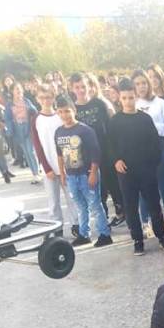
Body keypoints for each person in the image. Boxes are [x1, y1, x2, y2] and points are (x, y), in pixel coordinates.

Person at [108, 78, 164, 256]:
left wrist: (152, 164)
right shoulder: (115, 121)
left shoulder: (145, 119)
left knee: (154, 204)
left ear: (135, 97)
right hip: (126, 172)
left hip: (146, 170)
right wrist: (116, 160)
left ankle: (162, 236)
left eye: (131, 97)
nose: (128, 101)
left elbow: (155, 143)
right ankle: (137, 239)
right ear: (119, 99)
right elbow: (110, 145)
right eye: (124, 98)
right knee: (131, 207)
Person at [54, 95, 112, 248]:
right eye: (60, 112)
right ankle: (84, 234)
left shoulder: (85, 130)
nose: (64, 115)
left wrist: (93, 173)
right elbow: (59, 155)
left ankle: (104, 234)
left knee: (94, 204)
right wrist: (62, 173)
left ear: (74, 110)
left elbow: (95, 154)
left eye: (67, 111)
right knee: (80, 206)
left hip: (86, 174)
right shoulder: (58, 132)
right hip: (71, 176)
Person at [70, 72, 125, 227]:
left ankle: (121, 211)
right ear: (72, 88)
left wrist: (115, 150)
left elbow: (111, 127)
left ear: (89, 86)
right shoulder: (73, 108)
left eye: (83, 86)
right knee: (96, 189)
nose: (81, 90)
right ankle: (103, 217)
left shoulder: (99, 104)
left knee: (113, 183)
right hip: (86, 156)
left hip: (105, 150)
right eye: (77, 87)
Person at [131, 69, 164, 236]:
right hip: (140, 151)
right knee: (144, 189)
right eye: (137, 84)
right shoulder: (133, 104)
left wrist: (151, 125)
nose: (141, 86)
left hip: (160, 146)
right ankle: (146, 223)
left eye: (144, 83)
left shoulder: (160, 103)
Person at [30, 83, 79, 234]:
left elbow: (69, 139)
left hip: (66, 165)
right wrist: (46, 168)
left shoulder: (60, 116)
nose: (46, 100)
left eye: (49, 97)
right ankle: (57, 228)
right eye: (42, 98)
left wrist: (70, 164)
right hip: (49, 166)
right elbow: (37, 146)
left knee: (72, 197)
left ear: (53, 97)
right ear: (37, 99)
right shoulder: (37, 119)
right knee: (53, 201)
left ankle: (76, 224)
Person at [4, 82, 40, 183]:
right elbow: (7, 118)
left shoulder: (26, 101)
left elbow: (35, 111)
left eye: (20, 88)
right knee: (26, 152)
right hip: (17, 129)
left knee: (31, 151)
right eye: (16, 89)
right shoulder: (9, 104)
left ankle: (37, 172)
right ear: (12, 91)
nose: (19, 90)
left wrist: (31, 109)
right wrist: (10, 130)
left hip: (28, 127)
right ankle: (34, 174)